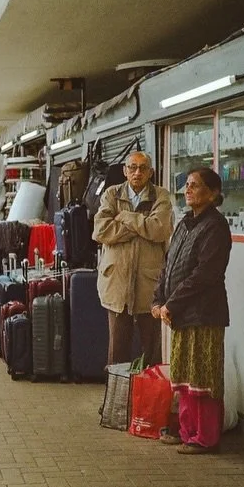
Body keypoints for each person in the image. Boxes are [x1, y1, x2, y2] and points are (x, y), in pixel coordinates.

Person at [151, 167, 232, 455]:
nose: (187, 190)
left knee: (203, 378)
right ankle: (187, 433)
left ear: (212, 193)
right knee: (184, 376)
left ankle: (205, 438)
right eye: (186, 184)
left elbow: (205, 274)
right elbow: (168, 266)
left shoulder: (216, 226)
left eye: (194, 185)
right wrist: (158, 300)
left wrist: (172, 304)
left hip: (204, 315)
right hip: (181, 315)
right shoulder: (185, 223)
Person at [92, 151, 173, 367]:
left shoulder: (160, 196)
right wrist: (142, 226)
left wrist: (126, 217)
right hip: (116, 284)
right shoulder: (112, 194)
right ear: (125, 171)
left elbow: (159, 230)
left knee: (152, 351)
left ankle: (150, 390)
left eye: (143, 168)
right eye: (132, 167)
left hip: (150, 285)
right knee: (118, 351)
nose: (137, 172)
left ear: (151, 172)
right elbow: (100, 231)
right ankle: (117, 390)